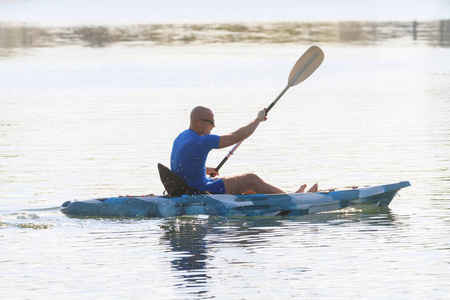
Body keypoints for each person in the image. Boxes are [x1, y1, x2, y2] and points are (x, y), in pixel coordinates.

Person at [170, 106, 318, 195]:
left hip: (192, 186)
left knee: (248, 189)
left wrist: (208, 170)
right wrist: (258, 119)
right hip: (199, 190)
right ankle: (294, 199)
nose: (213, 126)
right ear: (199, 122)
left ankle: (280, 197)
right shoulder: (201, 141)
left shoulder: (181, 137)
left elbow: (186, 164)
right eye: (211, 122)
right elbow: (238, 135)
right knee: (250, 179)